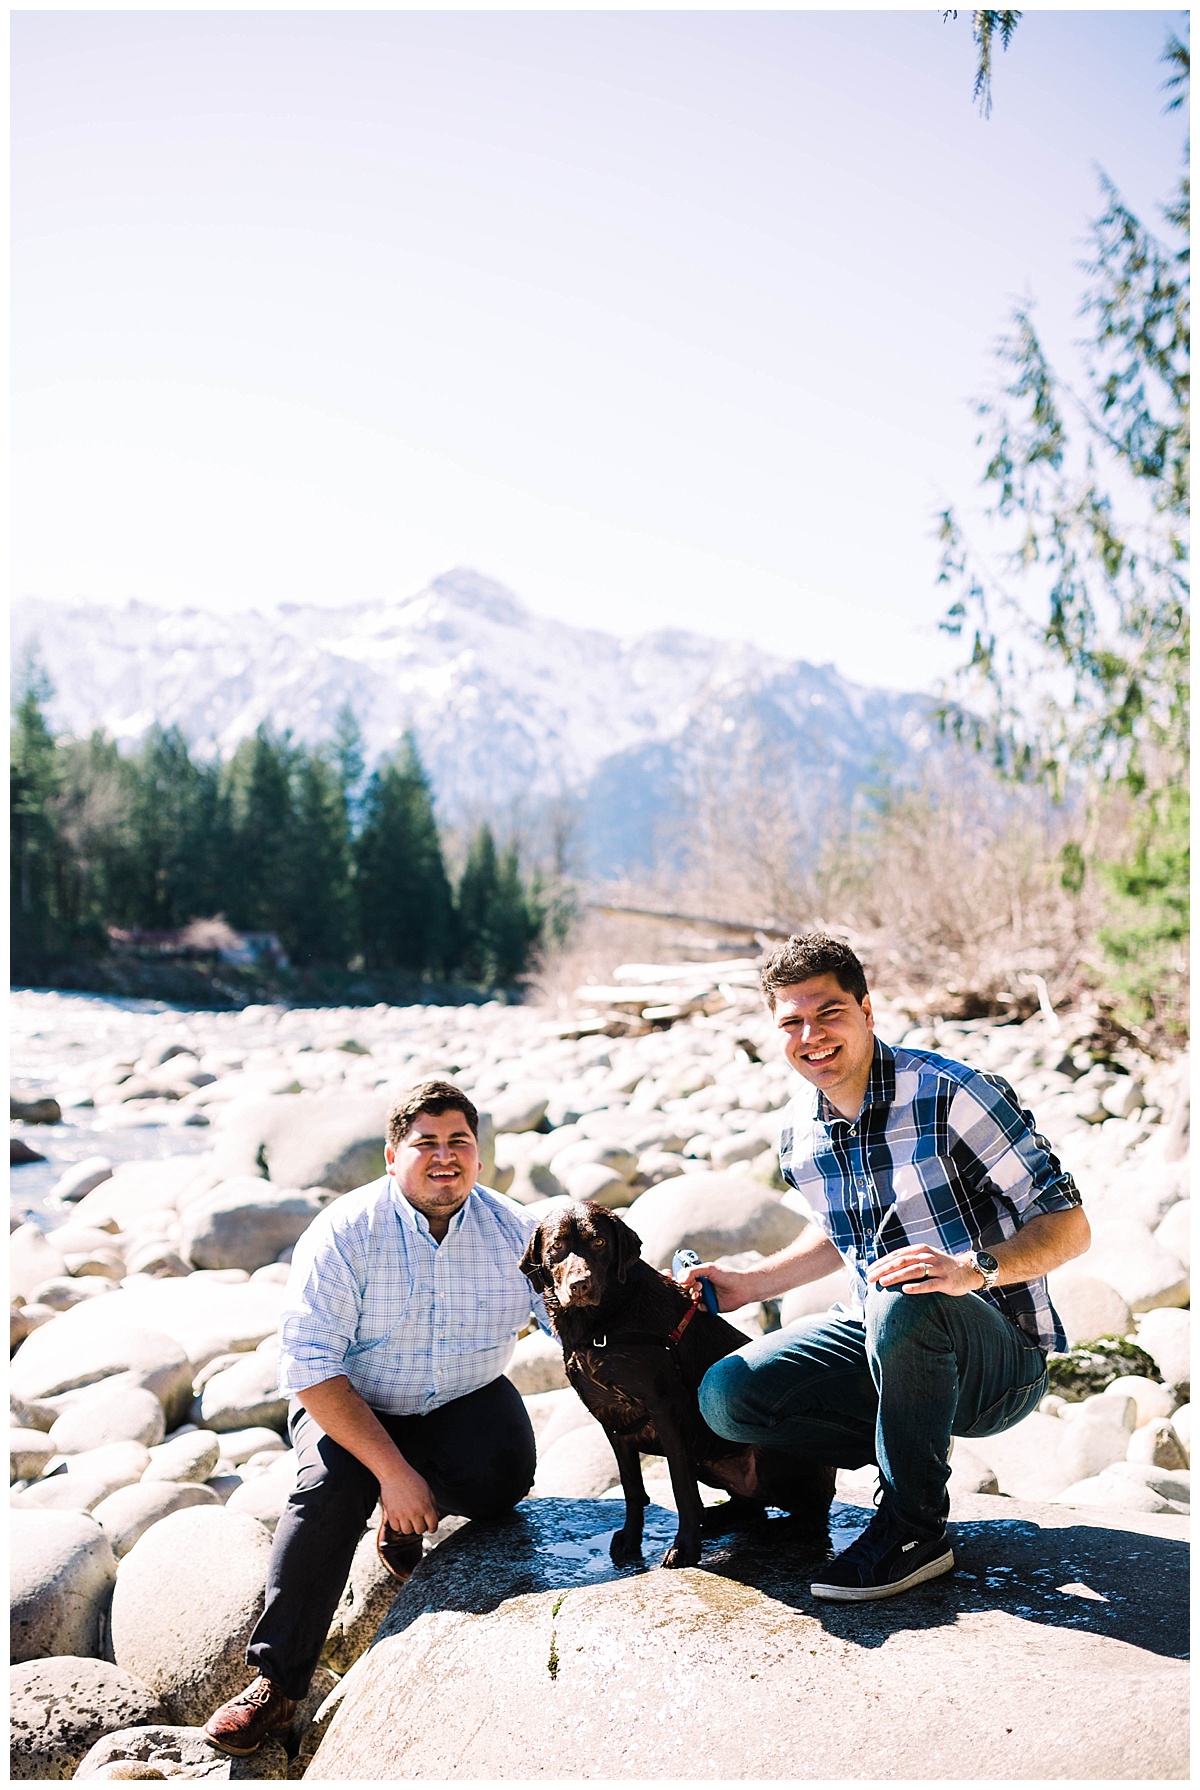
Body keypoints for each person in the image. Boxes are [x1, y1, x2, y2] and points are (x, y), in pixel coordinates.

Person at [682, 933, 1090, 1604]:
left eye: (830, 1012)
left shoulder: (955, 1096)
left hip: (998, 1358)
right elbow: (847, 1234)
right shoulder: (799, 1134)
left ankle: (914, 1529)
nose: (811, 1035)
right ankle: (903, 1449)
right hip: (881, 1339)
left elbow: (1071, 1226)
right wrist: (751, 1282)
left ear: (868, 1011)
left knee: (907, 1296)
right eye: (792, 1022)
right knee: (727, 1395)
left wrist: (971, 1268)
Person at [203, 1079, 542, 1755]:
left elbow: (577, 1323)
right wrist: (392, 1472)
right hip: (352, 1403)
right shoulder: (345, 1232)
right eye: (427, 1144)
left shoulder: (517, 1232)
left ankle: (407, 1518)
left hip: (460, 1399)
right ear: (392, 1156)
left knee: (507, 1478)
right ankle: (277, 1684)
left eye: (460, 1143)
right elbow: (309, 1369)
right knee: (329, 1492)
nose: (445, 1157)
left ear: (480, 1156)